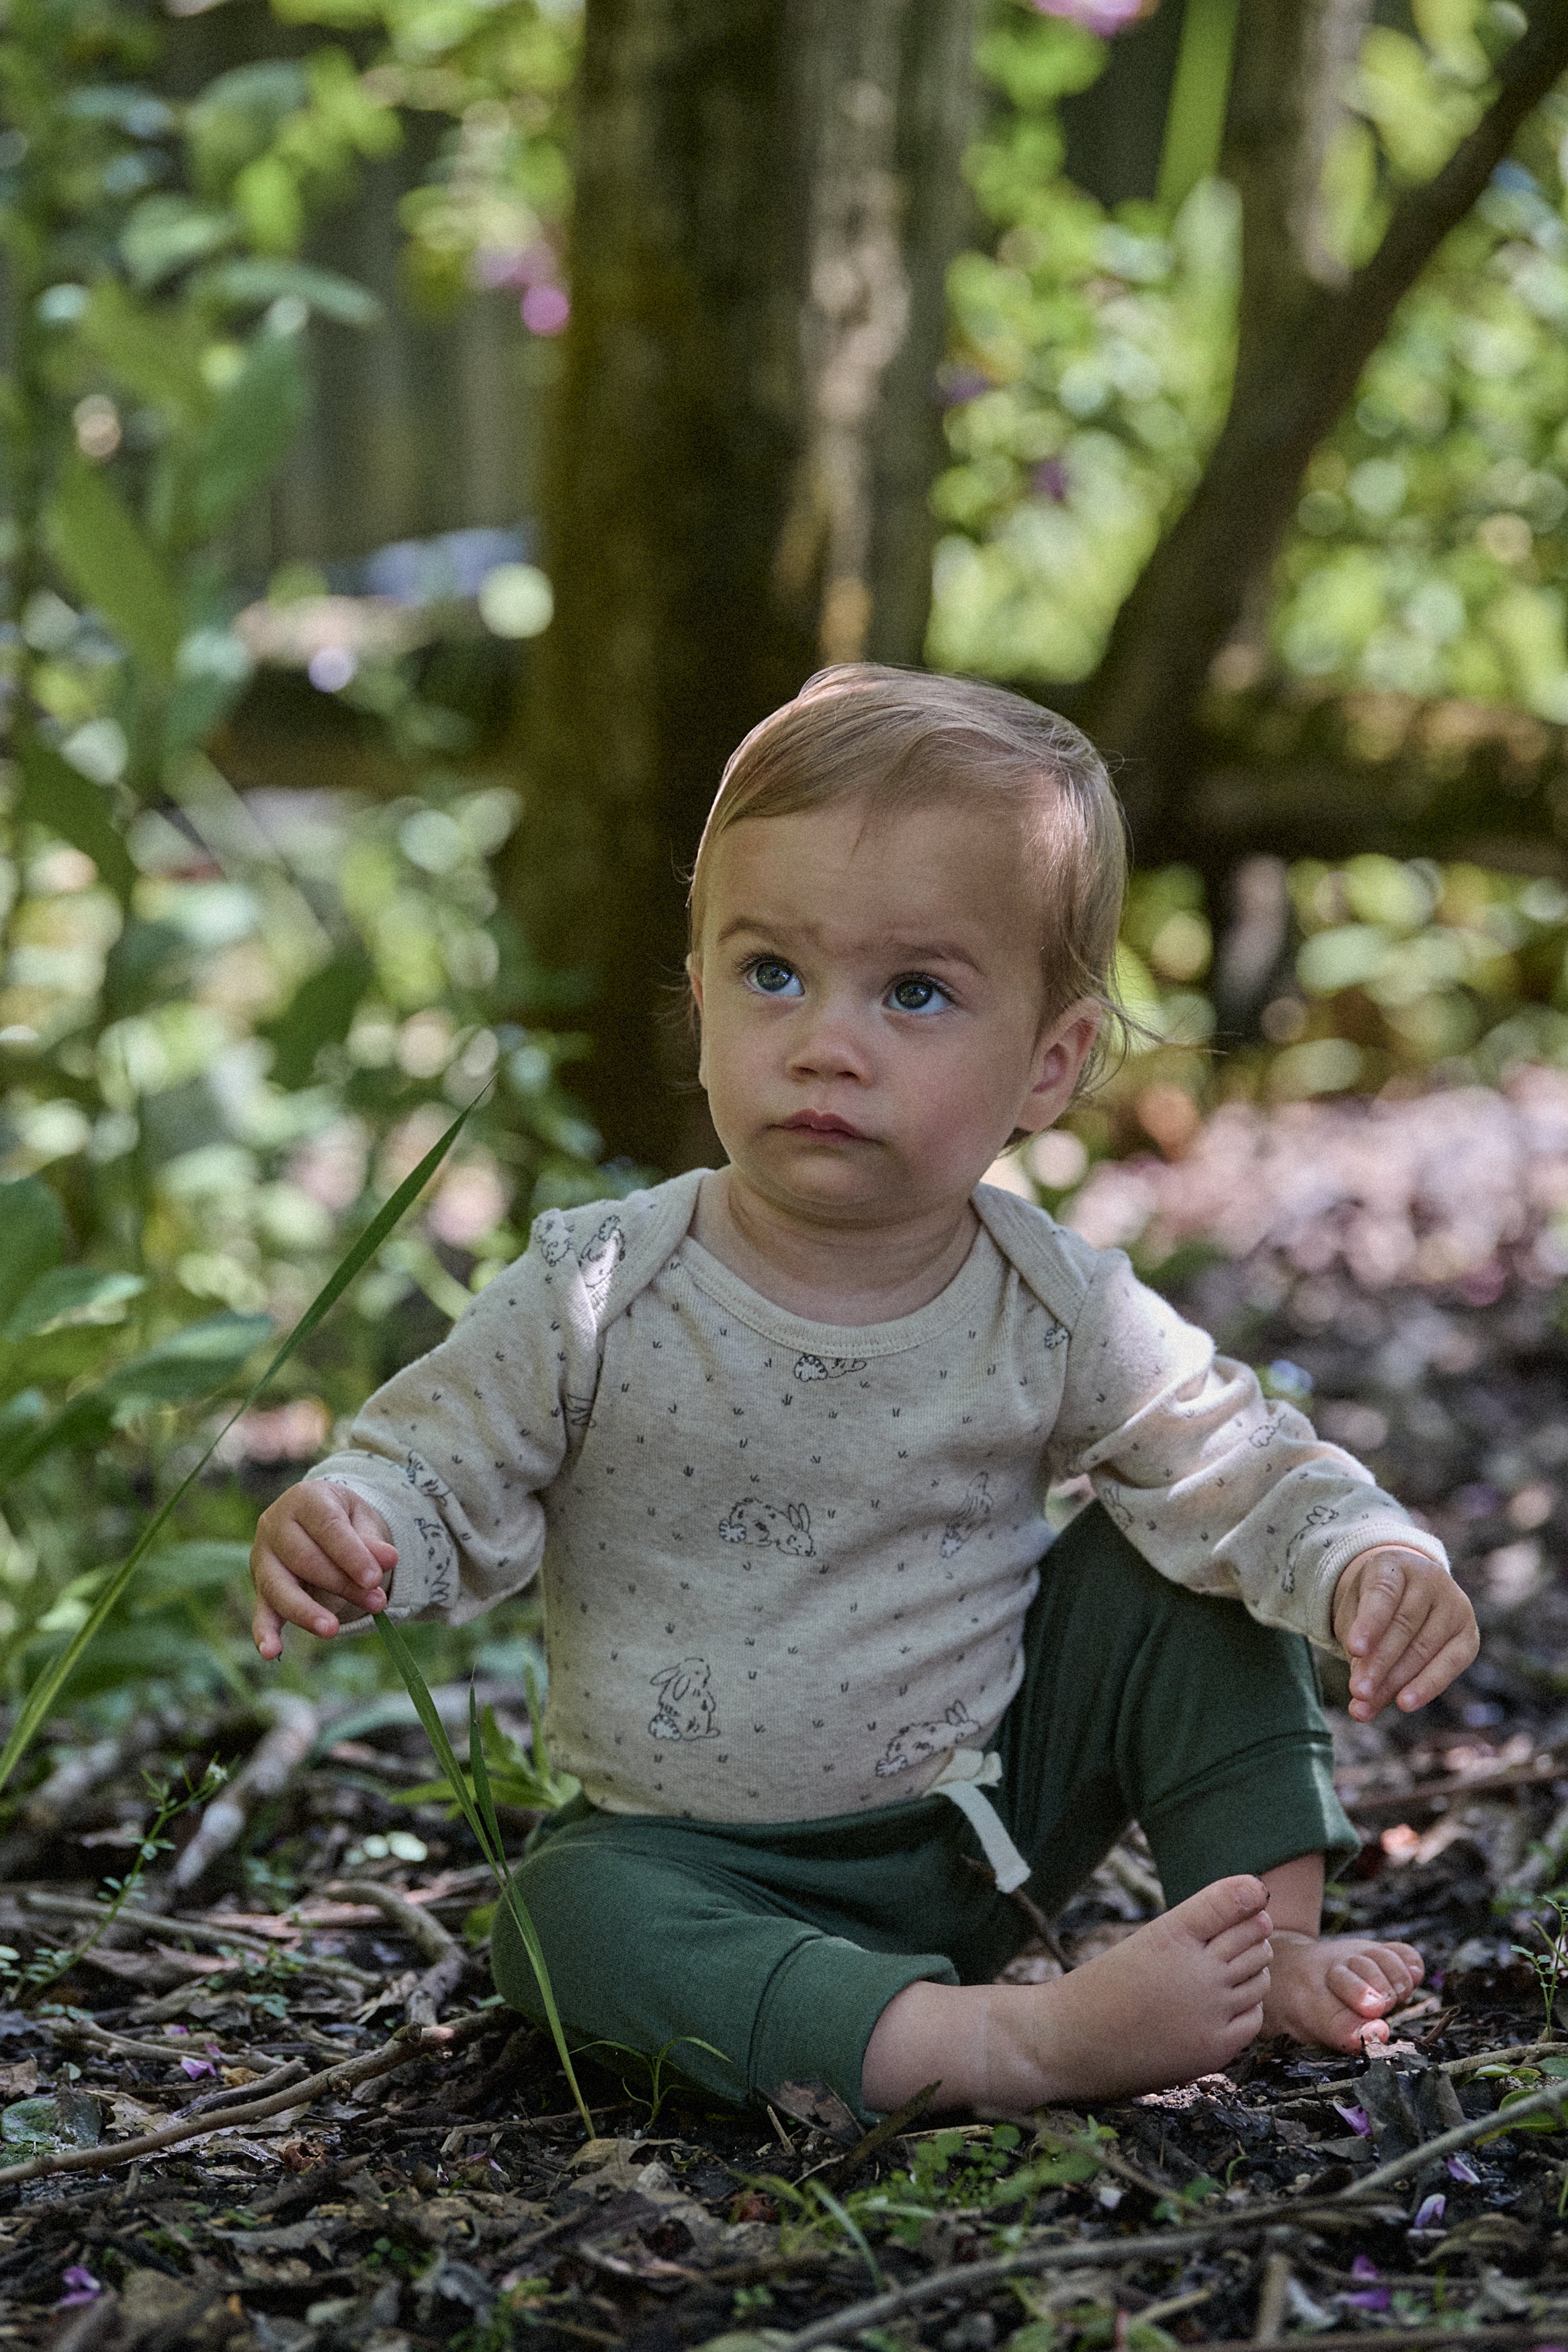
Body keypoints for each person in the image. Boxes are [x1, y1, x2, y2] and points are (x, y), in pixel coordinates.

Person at [250, 666, 1479, 2122]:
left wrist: (1365, 1551)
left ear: (1051, 1059)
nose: (829, 1041)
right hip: (687, 1859)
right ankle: (1000, 2044)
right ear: (698, 995)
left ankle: (1262, 1949)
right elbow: (439, 1453)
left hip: (980, 1819)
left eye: (915, 991)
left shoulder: (1050, 1303)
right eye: (773, 973)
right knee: (557, 1919)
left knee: (1191, 1566)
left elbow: (1235, 1463)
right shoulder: (599, 1288)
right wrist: (356, 1511)